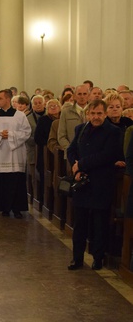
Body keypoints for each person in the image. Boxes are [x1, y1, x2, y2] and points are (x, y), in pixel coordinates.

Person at [67, 99, 121, 271]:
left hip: (101, 183)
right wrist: (76, 169)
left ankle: (98, 258)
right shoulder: (81, 128)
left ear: (105, 114)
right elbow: (71, 150)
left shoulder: (113, 132)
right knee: (80, 223)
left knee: (99, 223)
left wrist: (81, 165)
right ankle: (77, 258)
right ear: (88, 113)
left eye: (99, 113)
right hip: (82, 183)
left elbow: (107, 155)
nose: (96, 117)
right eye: (93, 113)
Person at [0, 89, 31, 218]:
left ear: (7, 99)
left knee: (15, 181)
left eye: (0, 98)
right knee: (1, 181)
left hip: (15, 154)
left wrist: (10, 135)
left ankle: (17, 208)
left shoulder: (20, 116)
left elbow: (26, 132)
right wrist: (0, 134)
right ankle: (3, 207)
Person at [58, 84, 90, 157]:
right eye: (79, 94)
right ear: (74, 96)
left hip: (90, 154)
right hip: (72, 153)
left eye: (84, 94)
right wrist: (70, 149)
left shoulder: (94, 112)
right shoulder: (66, 112)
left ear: (88, 96)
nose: (82, 96)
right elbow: (61, 136)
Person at [26, 94, 46, 200]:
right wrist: (39, 142)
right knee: (35, 177)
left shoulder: (49, 116)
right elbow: (26, 136)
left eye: (40, 103)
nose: (38, 105)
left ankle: (46, 197)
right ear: (32, 106)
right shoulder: (28, 118)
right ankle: (37, 198)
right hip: (33, 151)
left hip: (47, 152)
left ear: (44, 104)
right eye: (35, 103)